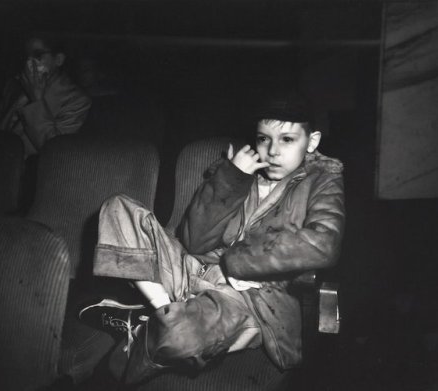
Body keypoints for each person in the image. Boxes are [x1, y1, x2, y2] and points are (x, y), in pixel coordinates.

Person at [80, 92, 345, 384]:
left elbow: (323, 244)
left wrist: (237, 262)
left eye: (287, 139)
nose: (272, 151)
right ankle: (163, 309)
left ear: (313, 141)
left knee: (181, 336)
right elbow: (194, 243)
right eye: (263, 138)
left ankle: (147, 332)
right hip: (193, 271)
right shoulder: (241, 170)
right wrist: (232, 178)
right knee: (118, 208)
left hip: (250, 298)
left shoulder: (323, 180)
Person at [0, 34, 91, 157]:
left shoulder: (76, 100)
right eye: (26, 55)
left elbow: (56, 151)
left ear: (58, 60)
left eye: (38, 55)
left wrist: (36, 101)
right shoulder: (13, 86)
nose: (29, 62)